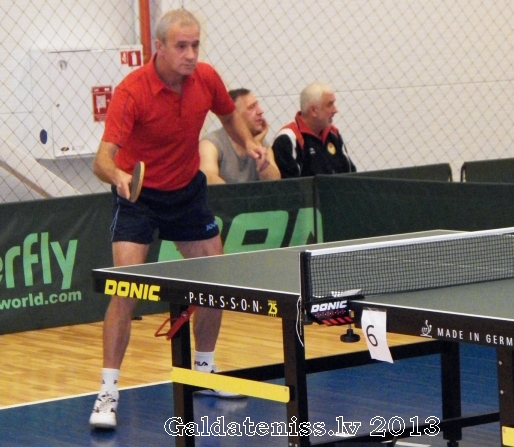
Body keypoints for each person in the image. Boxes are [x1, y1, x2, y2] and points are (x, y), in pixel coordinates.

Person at [89, 8, 268, 429]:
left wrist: (247, 143)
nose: (190, 54)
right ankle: (107, 393)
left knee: (214, 281)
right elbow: (102, 159)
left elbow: (228, 114)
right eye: (181, 46)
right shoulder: (133, 91)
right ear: (160, 47)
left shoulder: (206, 78)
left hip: (186, 192)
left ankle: (203, 371)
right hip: (139, 196)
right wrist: (118, 177)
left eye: (195, 45)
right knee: (125, 288)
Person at [272, 82, 356, 178]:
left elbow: (351, 175)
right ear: (313, 110)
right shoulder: (287, 139)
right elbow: (289, 185)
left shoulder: (333, 133)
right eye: (329, 105)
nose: (335, 110)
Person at [199, 88, 281, 184]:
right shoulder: (211, 143)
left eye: (257, 105)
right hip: (226, 194)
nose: (260, 111)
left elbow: (274, 182)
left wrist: (257, 145)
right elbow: (208, 177)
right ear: (235, 116)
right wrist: (236, 193)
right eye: (251, 107)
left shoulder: (261, 143)